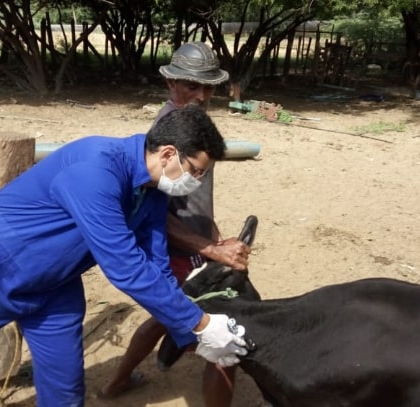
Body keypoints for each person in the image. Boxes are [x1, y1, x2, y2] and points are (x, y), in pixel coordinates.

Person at [0, 106, 249, 407]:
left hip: (53, 284)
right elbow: (124, 266)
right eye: (196, 171)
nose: (197, 182)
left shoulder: (152, 190)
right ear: (169, 153)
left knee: (64, 387)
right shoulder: (96, 169)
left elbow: (155, 262)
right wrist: (201, 324)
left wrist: (194, 328)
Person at [100, 42, 251, 407]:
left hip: (195, 245)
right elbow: (155, 215)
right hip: (171, 250)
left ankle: (117, 383)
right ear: (171, 83)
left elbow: (194, 200)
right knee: (222, 341)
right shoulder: (168, 136)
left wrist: (215, 237)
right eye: (191, 86)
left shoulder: (197, 128)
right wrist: (212, 249)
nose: (201, 95)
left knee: (163, 317)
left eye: (208, 87)